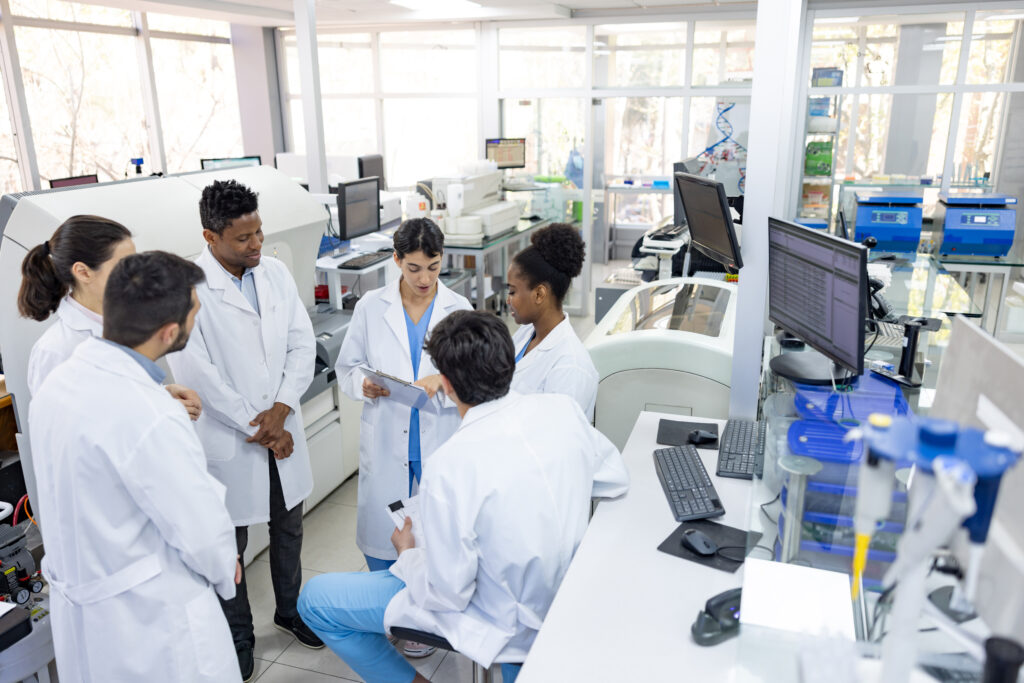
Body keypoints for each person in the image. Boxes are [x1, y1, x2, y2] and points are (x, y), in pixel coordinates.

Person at [298, 310, 629, 683]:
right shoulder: (561, 410)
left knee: (316, 601)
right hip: (560, 599)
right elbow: (615, 479)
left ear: (446, 384)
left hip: (495, 619)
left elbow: (447, 594)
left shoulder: (450, 464)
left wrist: (407, 553)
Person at [29, 251, 241, 682]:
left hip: (89, 614)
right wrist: (225, 566)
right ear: (169, 332)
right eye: (194, 314)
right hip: (152, 626)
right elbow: (200, 527)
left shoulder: (61, 382)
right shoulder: (151, 412)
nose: (196, 322)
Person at [166, 179, 321, 681]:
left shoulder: (273, 272)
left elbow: (301, 343)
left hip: (278, 424)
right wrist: (263, 425)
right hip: (231, 439)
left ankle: (290, 610)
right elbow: (197, 374)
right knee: (229, 545)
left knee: (288, 528)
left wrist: (281, 407)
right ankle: (238, 636)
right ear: (210, 237)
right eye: (243, 238)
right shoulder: (188, 289)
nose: (256, 244)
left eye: (259, 232)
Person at [334, 218, 471, 569]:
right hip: (386, 437)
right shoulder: (370, 306)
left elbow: (475, 382)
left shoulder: (459, 310)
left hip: (439, 437)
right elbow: (347, 367)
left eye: (433, 267)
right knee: (383, 545)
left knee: (443, 543)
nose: (425, 279)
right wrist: (362, 385)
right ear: (396, 260)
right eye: (413, 268)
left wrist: (443, 380)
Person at [18, 215, 201, 416]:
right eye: (124, 266)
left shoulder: (123, 320)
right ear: (83, 272)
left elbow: (117, 395)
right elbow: (67, 429)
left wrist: (161, 394)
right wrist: (160, 411)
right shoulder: (56, 350)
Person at [506, 223, 599, 419]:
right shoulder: (527, 334)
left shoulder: (570, 367)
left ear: (539, 294)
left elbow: (555, 439)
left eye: (513, 291)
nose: (508, 299)